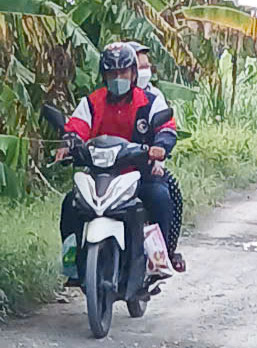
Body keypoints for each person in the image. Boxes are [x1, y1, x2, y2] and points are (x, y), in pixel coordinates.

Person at [56, 44, 184, 284]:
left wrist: (161, 146)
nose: (118, 78)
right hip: (99, 176)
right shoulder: (92, 103)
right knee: (69, 206)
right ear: (104, 76)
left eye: (123, 72)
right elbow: (77, 126)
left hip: (139, 174)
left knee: (159, 196)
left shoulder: (149, 101)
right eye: (112, 73)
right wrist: (68, 142)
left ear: (133, 73)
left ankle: (158, 258)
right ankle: (72, 261)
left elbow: (166, 128)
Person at [127, 42, 186, 272]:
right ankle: (75, 263)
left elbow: (166, 129)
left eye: (146, 66)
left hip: (146, 168)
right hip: (110, 170)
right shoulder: (106, 98)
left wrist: (159, 157)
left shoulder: (154, 97)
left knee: (167, 195)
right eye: (140, 66)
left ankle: (164, 253)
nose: (145, 71)